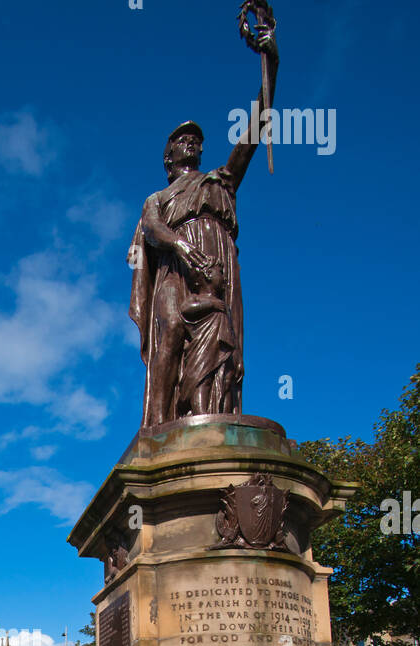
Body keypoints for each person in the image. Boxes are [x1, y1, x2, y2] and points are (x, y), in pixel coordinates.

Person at [127, 18, 278, 427]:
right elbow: (154, 231)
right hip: (175, 267)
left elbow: (252, 136)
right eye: (181, 139)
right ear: (167, 157)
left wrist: (271, 61)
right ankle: (157, 428)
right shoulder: (157, 199)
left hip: (217, 263)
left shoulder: (219, 182)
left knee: (219, 339)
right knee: (171, 328)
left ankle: (208, 418)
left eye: (195, 138)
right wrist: (181, 246)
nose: (191, 141)